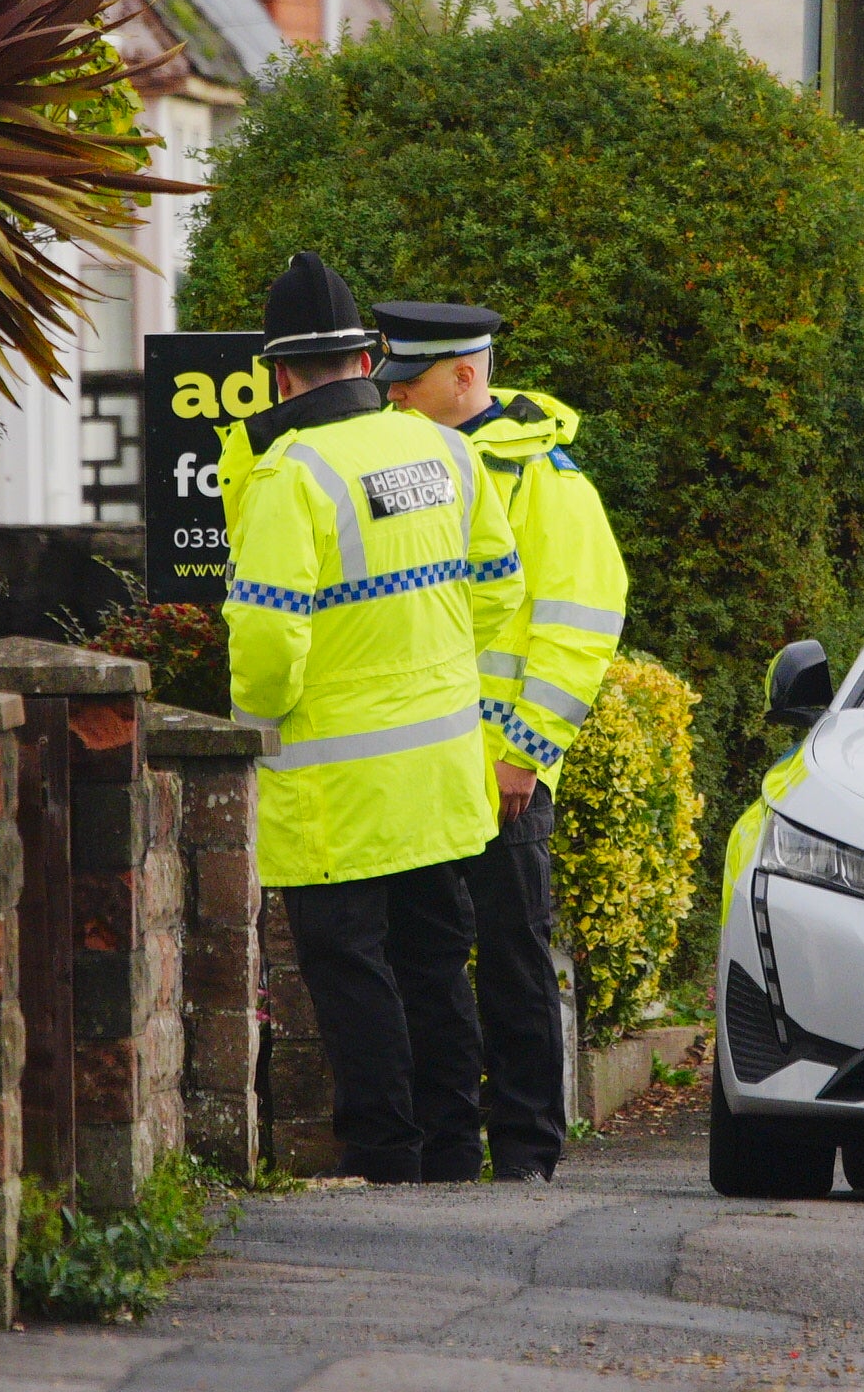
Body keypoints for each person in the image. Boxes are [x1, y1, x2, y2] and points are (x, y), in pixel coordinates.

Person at [225, 254, 525, 1185]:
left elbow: (267, 643)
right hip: (439, 781)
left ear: (280, 376)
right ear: (366, 360)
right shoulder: (447, 452)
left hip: (337, 793)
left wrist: (259, 725)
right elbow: (498, 590)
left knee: (353, 970)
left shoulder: (290, 476)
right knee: (434, 963)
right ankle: (454, 1149)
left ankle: (386, 1157)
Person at [372, 300, 629, 1183]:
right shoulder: (403, 463)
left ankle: (525, 1152)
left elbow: (580, 626)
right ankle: (448, 1151)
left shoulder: (546, 480)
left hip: (501, 770)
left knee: (514, 958)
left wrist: (525, 750)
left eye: (408, 384)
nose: (394, 398)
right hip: (421, 760)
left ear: (463, 375)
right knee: (427, 960)